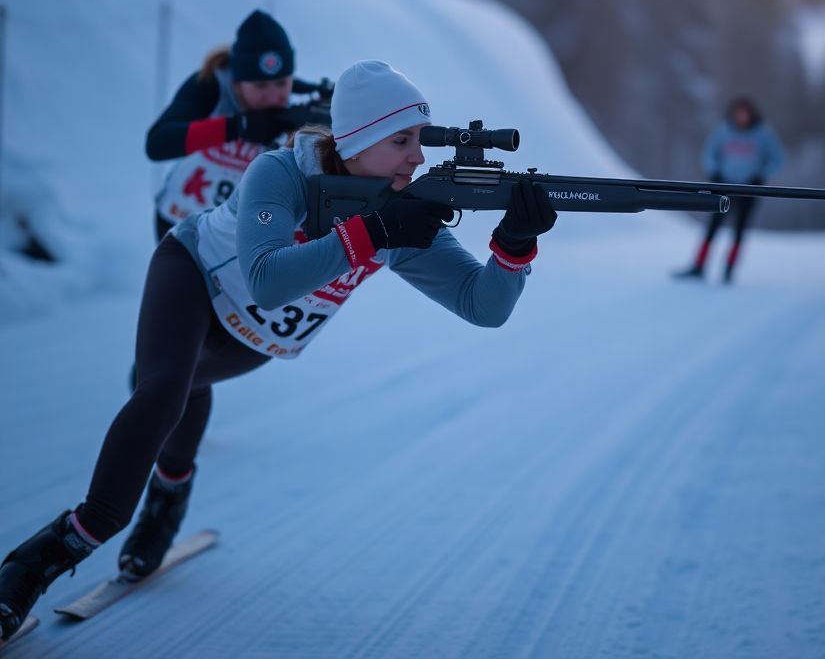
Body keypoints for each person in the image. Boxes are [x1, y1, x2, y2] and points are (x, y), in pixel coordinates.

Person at [0, 60, 557, 643]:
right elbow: (266, 280)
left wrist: (514, 245)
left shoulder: (404, 212)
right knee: (164, 389)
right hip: (192, 278)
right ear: (358, 139)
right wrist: (375, 232)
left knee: (182, 386)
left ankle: (169, 497)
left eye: (421, 139)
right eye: (402, 141)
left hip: (254, 340)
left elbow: (483, 305)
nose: (418, 157)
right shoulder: (283, 172)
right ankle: (40, 559)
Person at [147, 9, 313, 240]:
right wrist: (237, 127)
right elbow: (157, 143)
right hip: (180, 222)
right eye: (260, 87)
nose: (274, 96)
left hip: (230, 233)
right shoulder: (210, 86)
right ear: (237, 82)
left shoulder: (292, 103)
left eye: (282, 83)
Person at [674, 95, 784, 284]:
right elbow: (709, 153)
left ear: (751, 114)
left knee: (739, 230)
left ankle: (729, 270)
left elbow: (778, 158)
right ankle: (699, 265)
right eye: (738, 113)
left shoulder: (762, 134)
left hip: (749, 190)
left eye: (745, 114)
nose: (741, 117)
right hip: (724, 186)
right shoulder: (724, 131)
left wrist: (760, 175)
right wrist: (714, 172)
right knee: (712, 227)